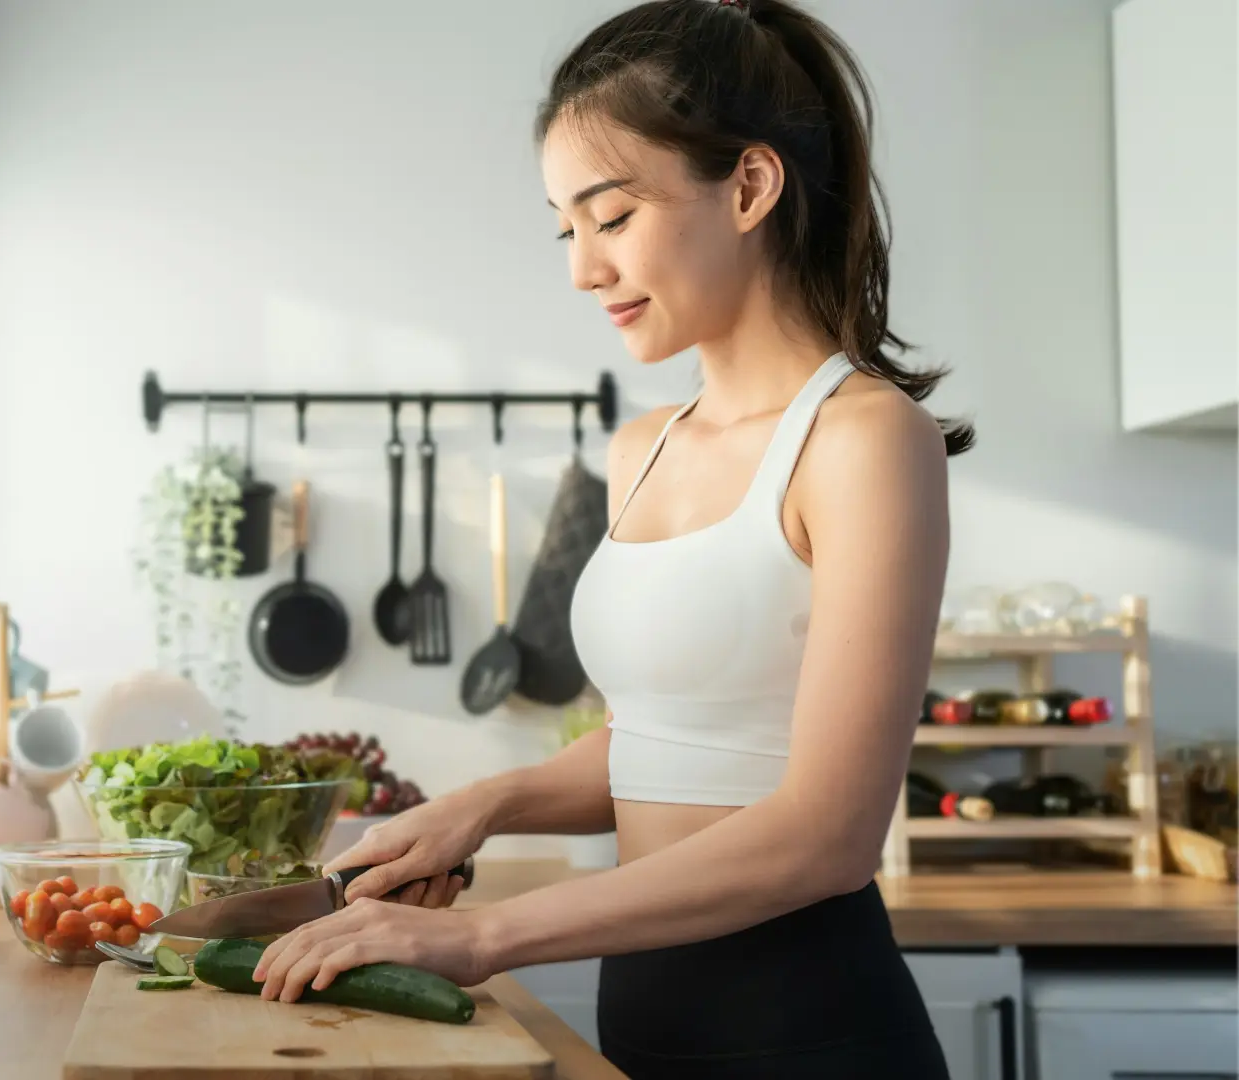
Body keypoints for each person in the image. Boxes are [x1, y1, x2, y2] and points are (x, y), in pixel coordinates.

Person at [250, 1, 969, 1076]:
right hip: (642, 1023)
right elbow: (675, 741)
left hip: (810, 1033)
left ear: (751, 187)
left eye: (612, 215)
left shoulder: (865, 440)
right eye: (565, 228)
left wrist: (483, 935)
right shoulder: (643, 447)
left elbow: (830, 832)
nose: (584, 269)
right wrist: (484, 805)